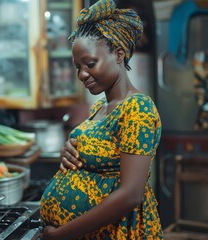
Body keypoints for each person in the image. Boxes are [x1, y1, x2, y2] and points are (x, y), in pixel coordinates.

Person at [40, 0, 163, 239]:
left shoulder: (137, 108)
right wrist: (70, 152)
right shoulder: (100, 107)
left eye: (90, 63)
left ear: (118, 54)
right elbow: (100, 161)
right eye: (77, 66)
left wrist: (61, 235)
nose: (82, 74)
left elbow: (131, 195)